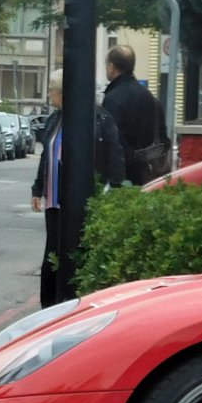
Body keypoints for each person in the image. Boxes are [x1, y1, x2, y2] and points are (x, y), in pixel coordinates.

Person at [31, 68, 125, 307]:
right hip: (54, 201)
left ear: (63, 93)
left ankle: (73, 304)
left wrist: (114, 189)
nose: (50, 95)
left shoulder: (100, 119)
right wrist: (38, 189)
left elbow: (114, 157)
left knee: (74, 255)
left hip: (82, 201)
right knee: (51, 255)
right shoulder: (55, 119)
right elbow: (47, 156)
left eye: (52, 91)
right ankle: (48, 306)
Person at [101, 45, 168, 184]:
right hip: (150, 172)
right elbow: (163, 137)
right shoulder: (150, 97)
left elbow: (113, 140)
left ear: (112, 67)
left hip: (124, 175)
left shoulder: (112, 99)